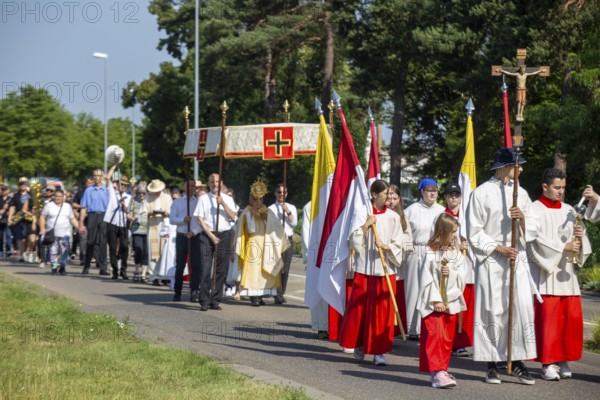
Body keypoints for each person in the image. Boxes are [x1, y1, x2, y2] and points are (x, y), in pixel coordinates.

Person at [466, 147, 539, 385]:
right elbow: (473, 231)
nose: (522, 169)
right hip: (491, 260)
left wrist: (523, 219)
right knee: (491, 309)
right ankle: (491, 363)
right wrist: (498, 247)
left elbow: (533, 229)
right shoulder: (481, 193)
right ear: (505, 167)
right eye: (518, 165)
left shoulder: (523, 194)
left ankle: (516, 360)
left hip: (515, 258)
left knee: (518, 309)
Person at [528, 168, 592, 380]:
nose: (560, 192)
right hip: (546, 273)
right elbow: (533, 240)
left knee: (569, 320)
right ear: (544, 186)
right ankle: (548, 362)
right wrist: (562, 247)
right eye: (557, 187)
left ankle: (562, 358)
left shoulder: (569, 210)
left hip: (567, 273)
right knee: (549, 320)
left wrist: (579, 237)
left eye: (563, 188)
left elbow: (579, 239)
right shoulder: (533, 209)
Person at [339, 180, 403, 366]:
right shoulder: (362, 212)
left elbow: (399, 243)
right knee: (360, 310)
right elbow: (353, 242)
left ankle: (379, 351)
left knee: (382, 313)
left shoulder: (393, 216)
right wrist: (366, 225)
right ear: (375, 195)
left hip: (385, 269)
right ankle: (358, 344)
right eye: (385, 194)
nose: (389, 198)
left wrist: (387, 246)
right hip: (365, 269)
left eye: (391, 194)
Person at [418, 213, 467, 388]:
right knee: (435, 337)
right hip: (435, 304)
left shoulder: (455, 252)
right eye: (453, 232)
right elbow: (426, 278)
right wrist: (436, 299)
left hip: (450, 301)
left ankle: (441, 369)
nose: (455, 235)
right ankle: (437, 372)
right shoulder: (429, 251)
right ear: (444, 231)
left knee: (446, 339)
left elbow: (463, 273)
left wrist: (451, 274)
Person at [235, 179, 289, 306]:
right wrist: (252, 215)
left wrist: (267, 218)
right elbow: (247, 229)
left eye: (260, 199)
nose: (258, 202)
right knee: (254, 271)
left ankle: (262, 294)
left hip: (267, 244)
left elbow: (277, 228)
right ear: (251, 199)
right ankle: (254, 296)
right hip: (252, 244)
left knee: (264, 272)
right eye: (255, 199)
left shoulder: (268, 212)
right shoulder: (246, 212)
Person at [404, 178, 445, 337]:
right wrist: (407, 253)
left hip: (435, 252)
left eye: (434, 190)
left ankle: (429, 326)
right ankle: (412, 327)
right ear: (422, 191)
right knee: (414, 288)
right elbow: (405, 234)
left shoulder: (442, 210)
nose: (432, 193)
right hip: (417, 251)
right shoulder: (412, 210)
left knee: (432, 288)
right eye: (428, 190)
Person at [194, 173, 237, 311]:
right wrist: (211, 236)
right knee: (206, 269)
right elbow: (200, 219)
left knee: (221, 269)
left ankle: (215, 300)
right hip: (207, 234)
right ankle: (204, 300)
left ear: (221, 183)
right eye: (212, 181)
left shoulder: (227, 199)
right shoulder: (203, 199)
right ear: (208, 183)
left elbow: (233, 217)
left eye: (217, 181)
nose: (215, 184)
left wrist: (223, 203)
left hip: (224, 234)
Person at [443, 182, 474, 357]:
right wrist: (456, 245)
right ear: (446, 198)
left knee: (464, 305)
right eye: (450, 195)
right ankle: (449, 341)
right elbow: (439, 240)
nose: (454, 198)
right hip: (450, 264)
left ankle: (460, 342)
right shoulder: (443, 217)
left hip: (466, 266)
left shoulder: (467, 216)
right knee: (451, 301)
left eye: (457, 195)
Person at [386, 184, 413, 336]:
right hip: (383, 259)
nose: (391, 201)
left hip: (397, 261)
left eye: (394, 198)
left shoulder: (403, 217)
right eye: (389, 197)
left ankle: (397, 328)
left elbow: (408, 238)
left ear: (399, 200)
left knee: (397, 297)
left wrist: (398, 247)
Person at [170, 179, 201, 302]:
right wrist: (183, 219)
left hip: (194, 236)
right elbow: (172, 219)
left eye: (193, 186)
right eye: (189, 186)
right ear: (184, 187)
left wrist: (194, 231)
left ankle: (194, 291)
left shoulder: (198, 202)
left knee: (195, 266)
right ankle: (177, 292)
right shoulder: (177, 202)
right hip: (182, 236)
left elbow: (201, 221)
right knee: (180, 266)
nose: (191, 188)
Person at [268, 184, 298, 304]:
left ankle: (281, 292)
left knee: (285, 268)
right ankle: (276, 292)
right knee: (276, 267)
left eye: (284, 193)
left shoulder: (291, 207)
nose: (282, 195)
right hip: (276, 240)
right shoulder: (271, 208)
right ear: (275, 194)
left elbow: (294, 223)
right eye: (279, 192)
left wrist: (287, 211)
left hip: (288, 239)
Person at [39, 189, 79, 275]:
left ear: (63, 197)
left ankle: (62, 267)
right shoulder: (49, 206)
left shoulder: (67, 206)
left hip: (65, 233)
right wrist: (42, 229)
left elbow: (72, 219)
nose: (58, 198)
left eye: (60, 196)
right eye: (57, 196)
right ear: (54, 197)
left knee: (64, 252)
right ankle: (54, 267)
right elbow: (42, 217)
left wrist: (79, 227)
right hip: (53, 234)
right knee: (54, 251)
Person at [78, 169, 109, 276]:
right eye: (94, 175)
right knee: (90, 242)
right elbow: (83, 208)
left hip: (104, 216)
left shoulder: (107, 190)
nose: (96, 177)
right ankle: (86, 266)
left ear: (102, 177)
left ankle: (103, 267)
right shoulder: (88, 190)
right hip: (92, 215)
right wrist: (81, 223)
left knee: (103, 242)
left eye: (98, 175)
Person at [104, 164, 132, 280]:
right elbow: (107, 178)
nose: (123, 187)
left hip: (123, 223)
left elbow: (129, 213)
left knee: (125, 246)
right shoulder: (112, 193)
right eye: (122, 185)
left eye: (125, 185)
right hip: (112, 222)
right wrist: (114, 166)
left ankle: (123, 269)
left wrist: (124, 205)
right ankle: (115, 270)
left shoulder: (128, 197)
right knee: (112, 247)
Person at [146, 179, 172, 283]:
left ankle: (165, 275)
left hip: (164, 225)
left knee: (165, 251)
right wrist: (149, 213)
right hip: (153, 226)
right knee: (153, 252)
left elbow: (172, 210)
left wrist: (167, 213)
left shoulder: (167, 197)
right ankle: (154, 276)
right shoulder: (148, 199)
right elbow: (142, 214)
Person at [8, 177, 35, 263]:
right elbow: (12, 207)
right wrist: (9, 218)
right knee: (20, 238)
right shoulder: (15, 196)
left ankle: (29, 252)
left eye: (24, 183)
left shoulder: (32, 195)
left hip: (30, 219)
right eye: (21, 184)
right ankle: (22, 254)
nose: (22, 185)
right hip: (19, 219)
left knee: (30, 238)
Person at [129, 182, 150, 283]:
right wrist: (133, 219)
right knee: (138, 250)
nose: (141, 195)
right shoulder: (133, 201)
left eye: (143, 193)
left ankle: (143, 274)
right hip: (137, 229)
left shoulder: (149, 202)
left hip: (148, 230)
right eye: (139, 193)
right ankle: (137, 270)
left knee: (146, 253)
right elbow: (128, 214)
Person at [72, 177, 93, 265]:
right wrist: (82, 207)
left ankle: (93, 257)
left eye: (91, 182)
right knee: (83, 238)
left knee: (93, 239)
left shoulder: (97, 192)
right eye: (88, 182)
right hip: (83, 218)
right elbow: (73, 204)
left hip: (94, 218)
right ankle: (83, 257)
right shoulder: (80, 193)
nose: (90, 184)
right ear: (85, 183)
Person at [0, 183, 12, 257]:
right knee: (0, 237)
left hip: (8, 220)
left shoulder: (10, 199)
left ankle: (8, 250)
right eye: (2, 190)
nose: (4, 191)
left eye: (5, 189)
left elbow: (14, 208)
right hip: (1, 220)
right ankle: (0, 250)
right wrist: (4, 208)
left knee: (9, 235)